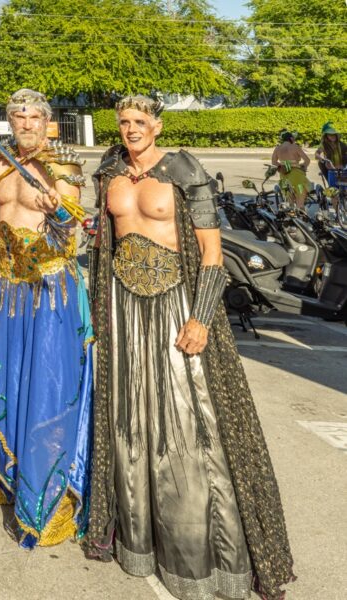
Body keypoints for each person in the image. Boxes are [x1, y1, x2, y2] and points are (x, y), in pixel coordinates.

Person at [83, 95, 294, 600]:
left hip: (178, 305)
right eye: (124, 121)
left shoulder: (184, 170)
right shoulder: (109, 169)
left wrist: (200, 316)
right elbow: (99, 241)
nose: (131, 129)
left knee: (190, 425)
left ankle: (207, 558)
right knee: (129, 419)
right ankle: (137, 543)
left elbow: (212, 255)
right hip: (124, 308)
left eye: (140, 121)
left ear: (156, 125)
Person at [0, 89, 93, 546]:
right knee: (5, 382)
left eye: (33, 116)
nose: (25, 124)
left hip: (50, 291)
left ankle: (48, 493)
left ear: (47, 121)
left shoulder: (64, 166)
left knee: (47, 389)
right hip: (5, 290)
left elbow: (72, 228)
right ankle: (8, 471)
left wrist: (56, 208)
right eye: (17, 116)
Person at [271, 129, 311, 209]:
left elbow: (274, 162)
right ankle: (301, 210)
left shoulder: (277, 148)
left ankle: (291, 212)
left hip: (284, 176)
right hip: (297, 176)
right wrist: (303, 166)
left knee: (288, 195)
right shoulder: (295, 147)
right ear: (291, 138)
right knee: (300, 191)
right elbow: (307, 160)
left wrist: (284, 165)